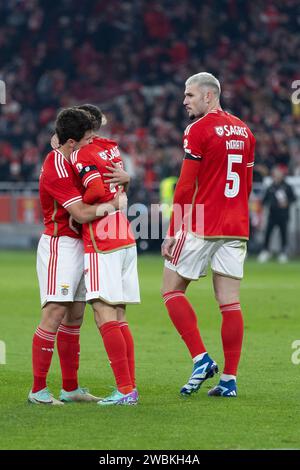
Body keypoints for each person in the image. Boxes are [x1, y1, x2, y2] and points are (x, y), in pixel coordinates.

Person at [161, 72, 256, 398]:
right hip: (236, 225)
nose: (184, 101)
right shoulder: (245, 131)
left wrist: (173, 231)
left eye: (189, 95)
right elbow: (247, 183)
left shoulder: (198, 129)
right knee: (230, 303)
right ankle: (229, 380)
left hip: (203, 223)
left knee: (170, 290)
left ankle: (201, 358)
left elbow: (185, 187)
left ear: (209, 96)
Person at [29, 108, 126, 405]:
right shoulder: (56, 165)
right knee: (55, 312)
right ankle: (37, 390)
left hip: (80, 243)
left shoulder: (70, 154)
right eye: (86, 139)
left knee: (74, 317)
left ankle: (70, 388)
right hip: (60, 244)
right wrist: (115, 204)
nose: (90, 143)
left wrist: (124, 180)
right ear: (71, 142)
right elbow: (82, 214)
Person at [69, 104, 140, 406]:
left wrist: (77, 207)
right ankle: (130, 388)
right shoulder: (112, 148)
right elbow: (121, 188)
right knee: (120, 316)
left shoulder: (82, 154)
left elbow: (97, 192)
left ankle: (124, 390)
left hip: (102, 240)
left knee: (102, 311)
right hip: (124, 234)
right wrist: (120, 191)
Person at [257, 166, 296, 263]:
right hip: (272, 215)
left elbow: (293, 198)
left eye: (279, 174)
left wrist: (287, 202)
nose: (277, 176)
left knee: (283, 234)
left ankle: (283, 252)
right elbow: (264, 200)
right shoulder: (270, 187)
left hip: (283, 215)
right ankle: (265, 251)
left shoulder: (287, 187)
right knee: (268, 234)